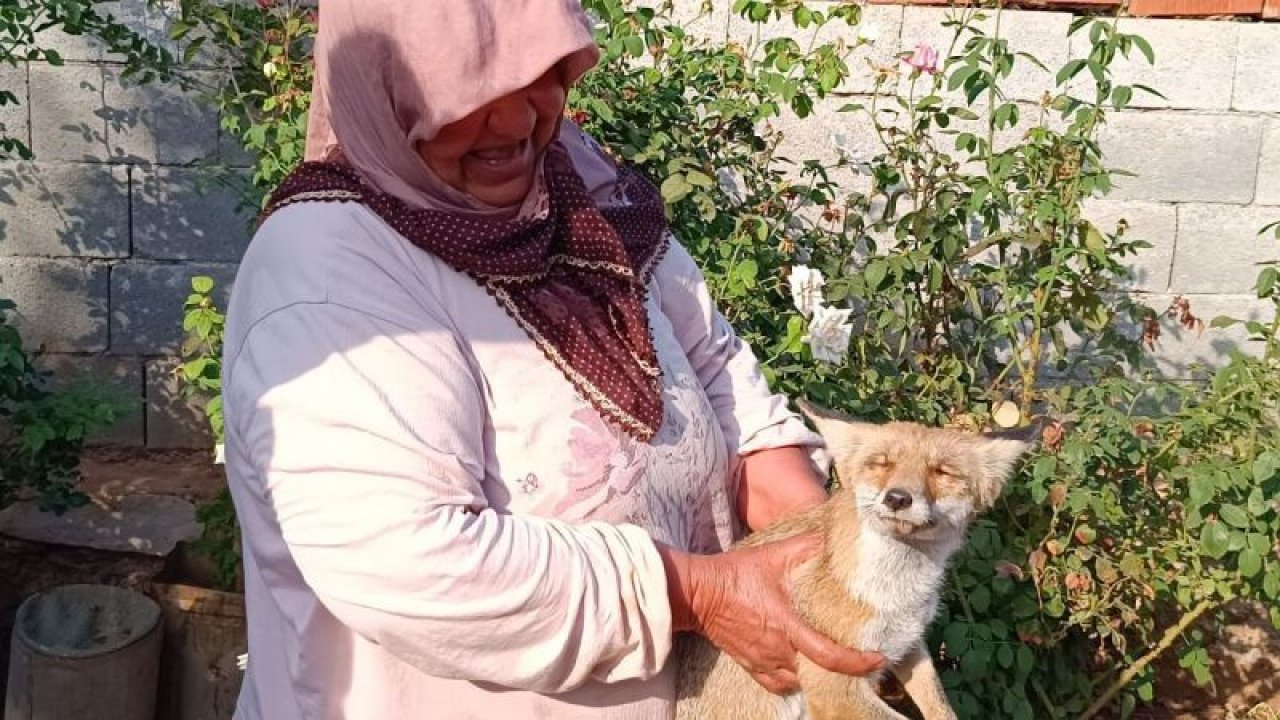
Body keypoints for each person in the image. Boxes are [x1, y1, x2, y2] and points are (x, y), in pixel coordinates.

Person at [221, 1, 884, 718]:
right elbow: (409, 561)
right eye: (466, 97)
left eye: (537, 74)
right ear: (382, 90)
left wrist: (822, 560)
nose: (515, 124)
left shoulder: (579, 190)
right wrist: (697, 594)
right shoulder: (326, 279)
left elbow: (717, 370)